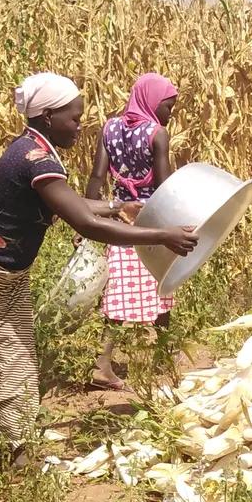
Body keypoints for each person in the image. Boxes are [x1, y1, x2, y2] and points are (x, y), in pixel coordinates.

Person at [0, 72, 198, 457]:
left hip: (6, 280)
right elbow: (85, 222)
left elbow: (77, 205)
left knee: (17, 369)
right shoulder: (34, 158)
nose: (80, 126)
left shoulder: (38, 150)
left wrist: (119, 206)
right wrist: (162, 236)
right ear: (47, 116)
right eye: (74, 118)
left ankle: (10, 454)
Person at [85, 73, 179, 390]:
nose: (170, 113)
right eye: (168, 106)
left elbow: (97, 177)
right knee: (163, 286)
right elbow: (165, 185)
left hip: (117, 220)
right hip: (152, 222)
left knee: (119, 294)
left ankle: (102, 363)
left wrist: (88, 217)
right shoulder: (157, 133)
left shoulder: (109, 128)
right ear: (153, 101)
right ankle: (164, 356)